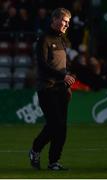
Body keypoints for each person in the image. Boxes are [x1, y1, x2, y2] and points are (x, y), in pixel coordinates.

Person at [29, 8, 76, 171]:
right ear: (55, 19)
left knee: (61, 127)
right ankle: (35, 149)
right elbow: (42, 65)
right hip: (47, 88)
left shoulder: (63, 40)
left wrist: (69, 78)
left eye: (68, 22)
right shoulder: (44, 39)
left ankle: (53, 162)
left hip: (61, 90)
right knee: (55, 124)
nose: (67, 25)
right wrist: (62, 76)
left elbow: (64, 66)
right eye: (64, 21)